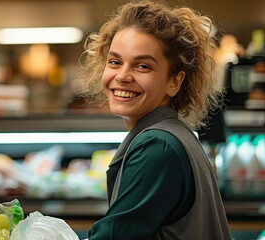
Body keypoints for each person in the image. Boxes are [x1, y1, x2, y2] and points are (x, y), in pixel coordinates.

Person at [77, 1, 232, 239]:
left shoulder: (157, 146)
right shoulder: (172, 134)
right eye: (115, 62)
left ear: (174, 82)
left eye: (142, 66)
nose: (123, 76)